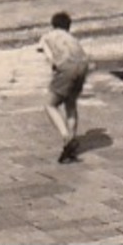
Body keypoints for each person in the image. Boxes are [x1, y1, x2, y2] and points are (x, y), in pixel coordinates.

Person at [38, 11, 90, 164]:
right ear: (68, 27)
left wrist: (54, 66)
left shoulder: (48, 36)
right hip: (83, 65)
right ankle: (71, 140)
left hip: (67, 67)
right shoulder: (71, 38)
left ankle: (66, 137)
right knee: (71, 103)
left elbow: (49, 56)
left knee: (50, 104)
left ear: (53, 25)